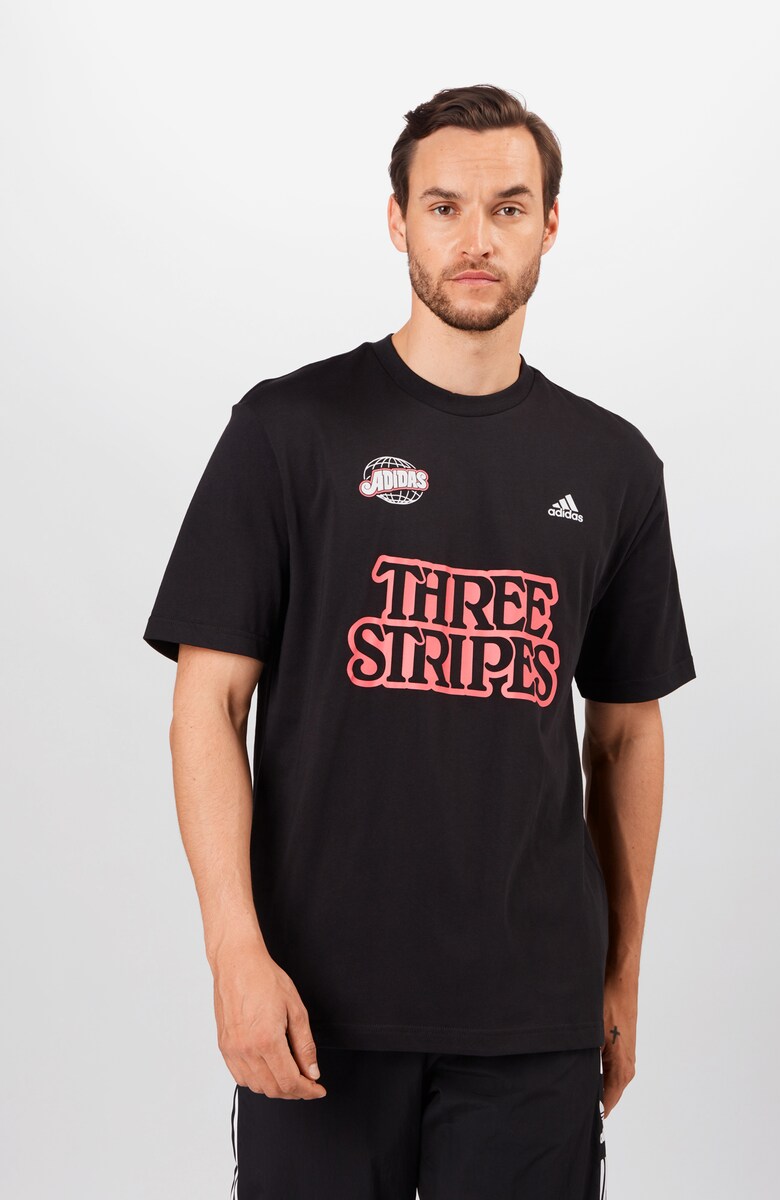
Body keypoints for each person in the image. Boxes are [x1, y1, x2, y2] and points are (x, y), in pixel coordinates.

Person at [143, 83, 697, 1200]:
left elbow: (626, 735)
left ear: (551, 224)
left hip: (533, 1018)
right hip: (316, 1010)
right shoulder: (287, 432)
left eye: (508, 206)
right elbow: (209, 705)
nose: (476, 238)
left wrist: (622, 976)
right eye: (444, 207)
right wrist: (234, 953)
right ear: (398, 221)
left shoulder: (613, 466)